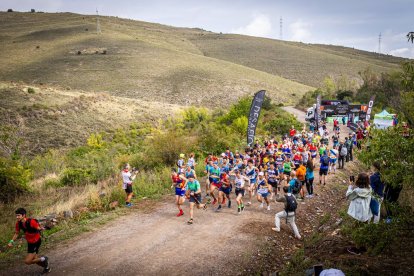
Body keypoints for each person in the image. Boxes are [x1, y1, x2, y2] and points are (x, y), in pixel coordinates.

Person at [7, 208, 51, 273]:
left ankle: (44, 258)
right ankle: (47, 267)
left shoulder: (31, 221)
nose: (17, 217)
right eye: (16, 215)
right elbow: (16, 233)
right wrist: (11, 241)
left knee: (27, 261)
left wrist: (44, 228)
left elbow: (38, 228)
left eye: (18, 215)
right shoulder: (18, 224)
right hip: (30, 242)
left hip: (36, 242)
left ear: (24, 215)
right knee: (35, 259)